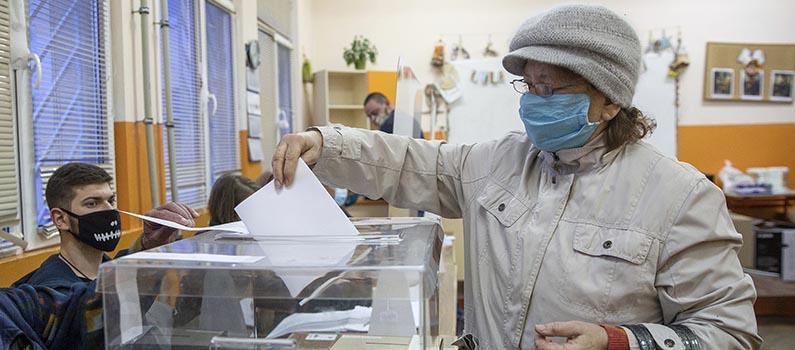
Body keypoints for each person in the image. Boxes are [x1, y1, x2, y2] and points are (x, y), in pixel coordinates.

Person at [272, 5, 761, 350]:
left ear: (610, 100)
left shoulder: (680, 198)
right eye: (529, 84)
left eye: (552, 88)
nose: (533, 100)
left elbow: (729, 333)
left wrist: (618, 342)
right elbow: (407, 162)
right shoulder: (497, 163)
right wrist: (328, 145)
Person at [14, 162, 198, 290]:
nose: (109, 210)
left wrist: (148, 244)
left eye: (111, 200)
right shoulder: (51, 291)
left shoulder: (107, 267)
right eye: (92, 203)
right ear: (60, 219)